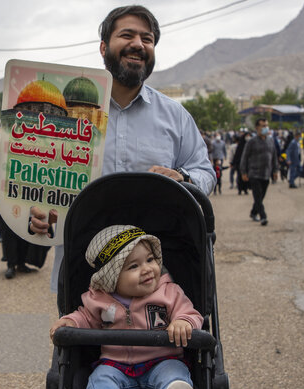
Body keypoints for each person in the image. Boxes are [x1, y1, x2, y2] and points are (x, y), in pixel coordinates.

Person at [31, 5, 215, 293]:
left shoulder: (175, 116)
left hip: (157, 277)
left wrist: (185, 178)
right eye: (127, 35)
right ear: (104, 47)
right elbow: (40, 180)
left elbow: (204, 171)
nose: (138, 44)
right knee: (81, 338)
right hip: (84, 274)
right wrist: (38, 213)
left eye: (147, 38)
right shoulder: (64, 114)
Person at [50, 225, 202, 389]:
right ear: (111, 279)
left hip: (162, 360)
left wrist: (183, 321)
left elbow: (189, 312)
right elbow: (86, 317)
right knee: (100, 377)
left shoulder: (169, 292)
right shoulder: (100, 300)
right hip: (115, 364)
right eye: (134, 266)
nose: (147, 269)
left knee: (174, 373)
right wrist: (70, 321)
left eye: (150, 259)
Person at [0, 128, 33, 278]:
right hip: (7, 189)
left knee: (24, 226)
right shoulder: (2, 132)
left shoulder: (30, 133)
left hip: (26, 189)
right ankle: (10, 264)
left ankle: (21, 262)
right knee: (8, 229)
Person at [240, 118, 279, 226]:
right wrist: (243, 172)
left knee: (261, 197)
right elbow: (244, 157)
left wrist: (275, 170)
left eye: (266, 125)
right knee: (257, 195)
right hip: (254, 173)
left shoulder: (270, 140)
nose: (265, 128)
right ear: (257, 128)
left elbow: (274, 156)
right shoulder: (252, 142)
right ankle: (263, 216)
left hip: (266, 173)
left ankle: (253, 212)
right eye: (263, 125)